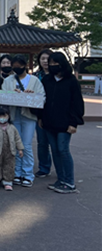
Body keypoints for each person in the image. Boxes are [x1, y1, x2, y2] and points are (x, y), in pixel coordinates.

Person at [40, 52, 85, 194]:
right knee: (54, 150)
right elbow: (41, 100)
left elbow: (77, 103)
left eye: (55, 63)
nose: (52, 65)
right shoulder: (46, 80)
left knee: (63, 150)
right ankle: (61, 179)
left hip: (65, 123)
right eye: (50, 62)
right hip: (49, 122)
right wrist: (40, 117)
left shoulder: (71, 81)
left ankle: (69, 182)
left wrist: (74, 122)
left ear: (62, 63)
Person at [1, 55, 45, 188]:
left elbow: (42, 97)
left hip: (29, 116)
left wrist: (31, 96)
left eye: (19, 65)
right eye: (14, 65)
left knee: (26, 145)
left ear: (25, 65)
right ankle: (17, 172)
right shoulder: (8, 80)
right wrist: (11, 93)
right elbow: (3, 96)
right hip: (14, 115)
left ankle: (28, 174)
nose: (17, 68)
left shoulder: (34, 80)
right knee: (15, 145)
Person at [34, 49, 53, 178]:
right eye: (43, 59)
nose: (45, 61)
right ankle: (44, 167)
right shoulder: (35, 76)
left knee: (56, 144)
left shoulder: (57, 75)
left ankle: (61, 168)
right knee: (42, 142)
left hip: (54, 113)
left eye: (48, 58)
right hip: (39, 113)